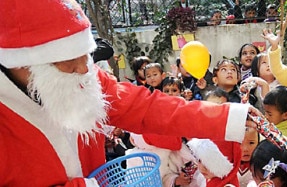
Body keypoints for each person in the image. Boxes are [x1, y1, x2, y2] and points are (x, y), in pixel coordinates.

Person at [0, 0, 262, 186]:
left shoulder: (83, 75)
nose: (84, 70)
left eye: (87, 57)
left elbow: (146, 108)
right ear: (24, 64)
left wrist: (227, 117)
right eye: (70, 64)